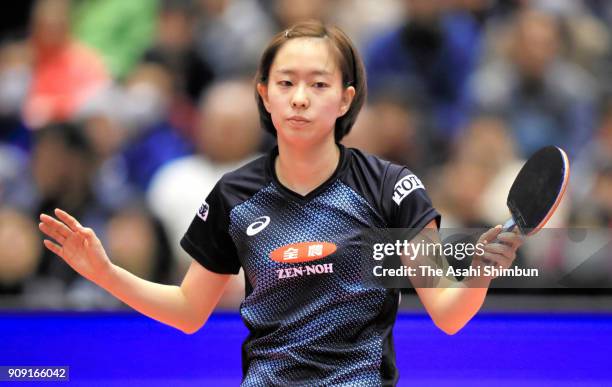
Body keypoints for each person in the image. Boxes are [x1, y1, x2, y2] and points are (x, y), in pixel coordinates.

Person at [39, 20, 523, 386]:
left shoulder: (391, 187)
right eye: (286, 83)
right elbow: (188, 311)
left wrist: (479, 271)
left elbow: (448, 313)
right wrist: (105, 273)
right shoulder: (235, 194)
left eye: (318, 84)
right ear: (264, 95)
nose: (299, 99)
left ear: (345, 99)